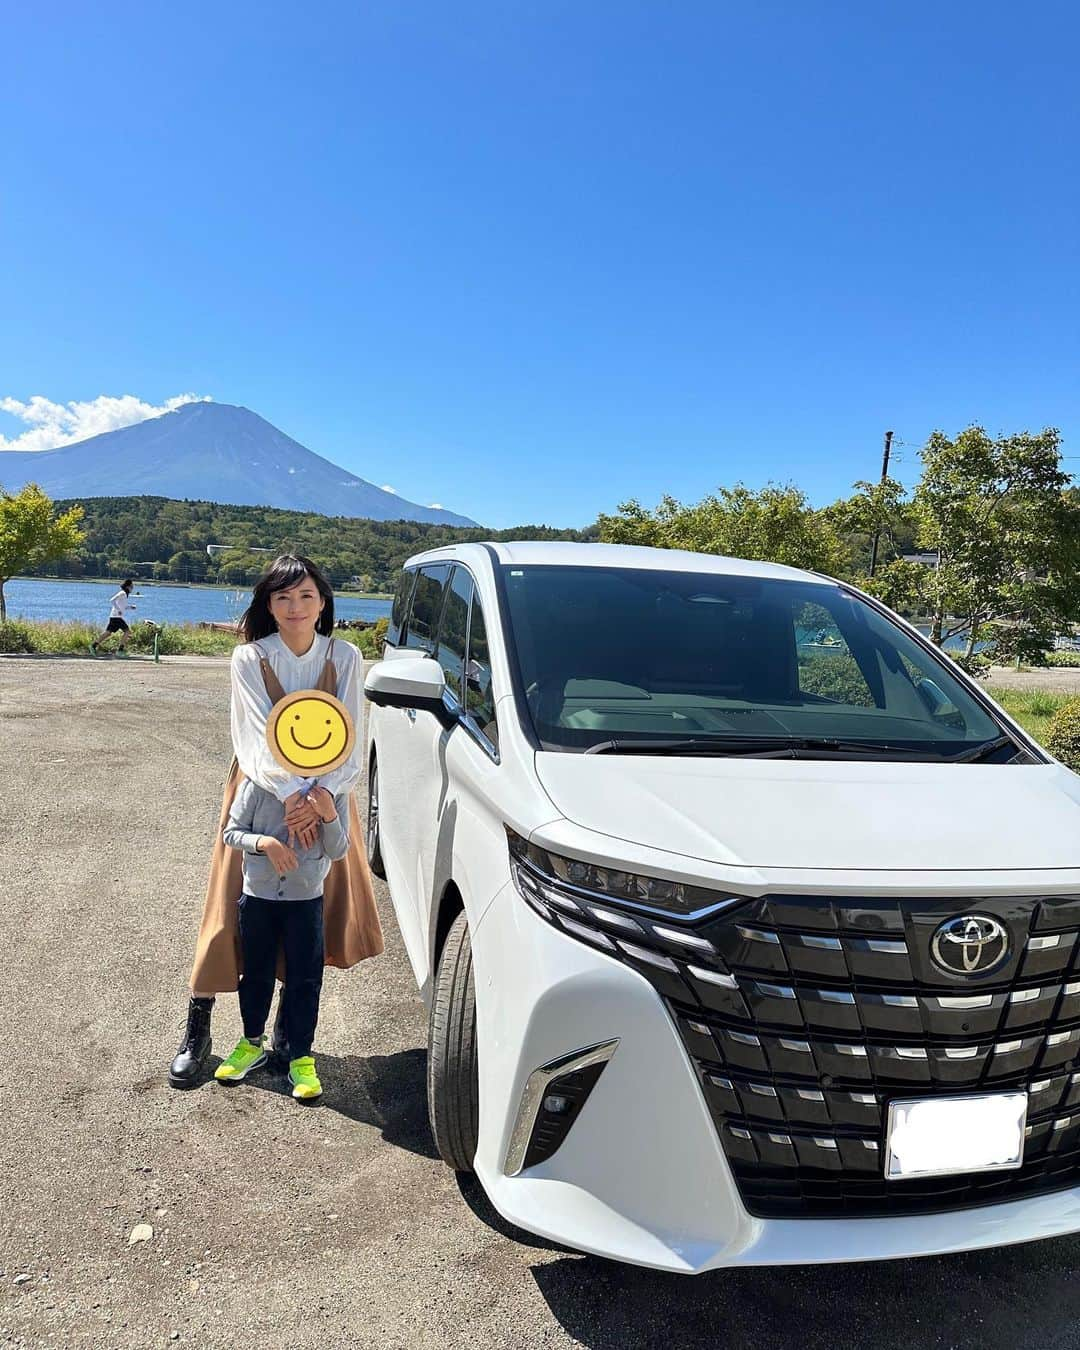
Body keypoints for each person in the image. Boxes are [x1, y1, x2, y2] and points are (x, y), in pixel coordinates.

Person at [168, 554, 383, 1089]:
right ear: (268, 603)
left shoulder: (347, 655)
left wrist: (321, 796)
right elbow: (251, 734)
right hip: (262, 793)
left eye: (306, 596)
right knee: (229, 905)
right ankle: (200, 1027)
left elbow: (355, 733)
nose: (295, 607)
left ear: (324, 602)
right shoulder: (248, 657)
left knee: (314, 913)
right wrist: (291, 795)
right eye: (283, 597)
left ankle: (290, 1036)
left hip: (329, 796)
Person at [215, 779, 348, 1099]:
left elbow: (339, 849)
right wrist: (266, 844)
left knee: (305, 979)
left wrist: (328, 815)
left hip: (306, 900)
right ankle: (251, 1042)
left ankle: (301, 1056)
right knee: (256, 975)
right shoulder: (259, 784)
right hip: (258, 896)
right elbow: (231, 833)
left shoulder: (333, 789)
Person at [91, 579, 138, 655]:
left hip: (114, 616)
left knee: (108, 633)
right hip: (116, 617)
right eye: (132, 586)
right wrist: (118, 609)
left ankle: (93, 646)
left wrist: (130, 607)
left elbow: (123, 606)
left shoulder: (124, 594)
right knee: (127, 631)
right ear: (127, 587)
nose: (132, 588)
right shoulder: (122, 593)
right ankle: (120, 650)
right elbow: (112, 600)